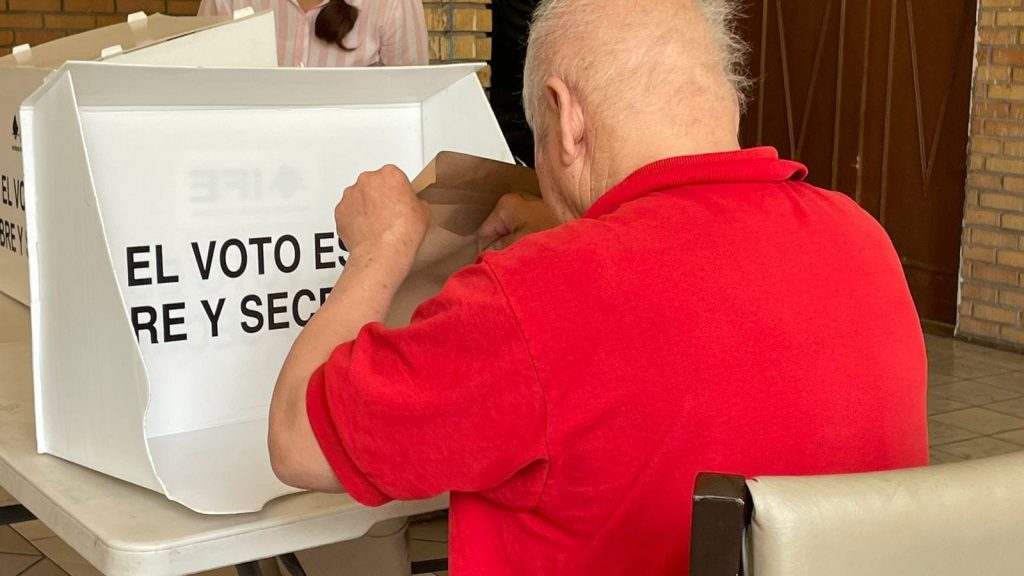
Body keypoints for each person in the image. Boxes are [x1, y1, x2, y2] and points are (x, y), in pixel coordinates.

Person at [268, 0, 929, 573]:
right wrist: (577, 225)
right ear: (725, 97)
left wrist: (378, 250)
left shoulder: (536, 295)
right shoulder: (862, 240)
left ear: (568, 119)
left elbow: (299, 441)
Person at [198, 0, 428, 67]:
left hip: (354, 155)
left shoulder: (393, 4)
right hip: (251, 154)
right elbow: (202, 88)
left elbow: (413, 100)